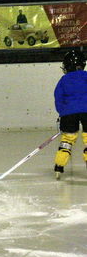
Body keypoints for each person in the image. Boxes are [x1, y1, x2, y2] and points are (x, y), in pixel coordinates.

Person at [53, 49, 87, 180]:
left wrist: (63, 113)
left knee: (67, 140)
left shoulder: (63, 80)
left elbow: (58, 98)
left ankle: (59, 167)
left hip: (69, 113)